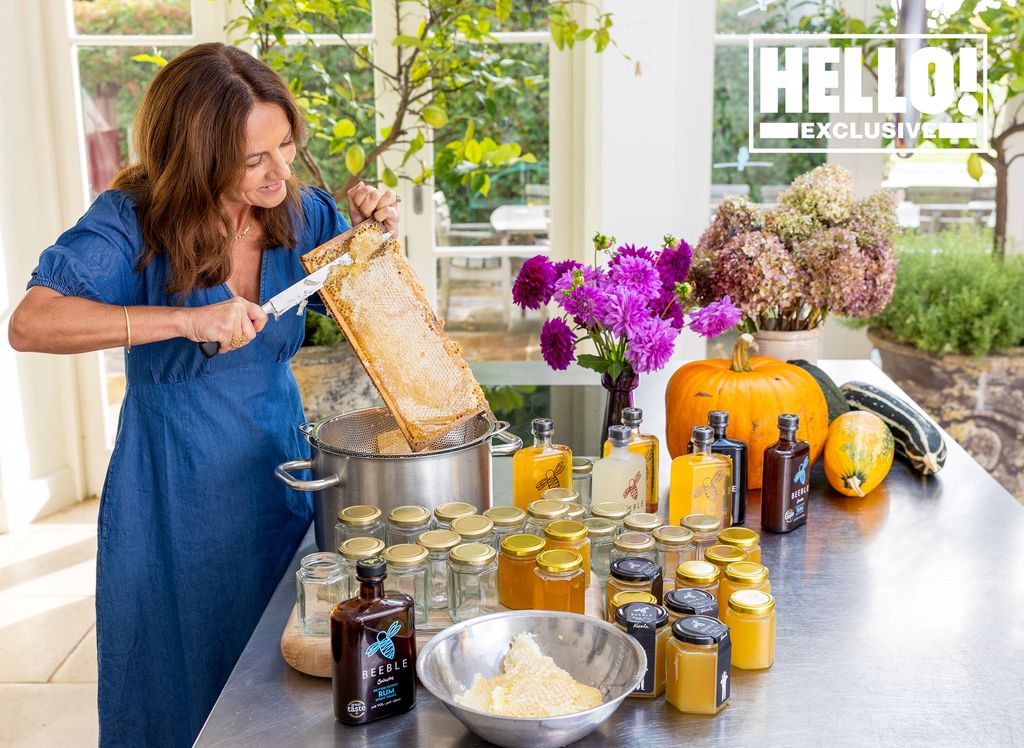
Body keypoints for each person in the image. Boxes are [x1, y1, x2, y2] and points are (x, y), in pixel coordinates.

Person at [7, 43, 399, 747]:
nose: (281, 171)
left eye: (285, 145)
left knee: (283, 682)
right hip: (172, 499)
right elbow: (32, 323)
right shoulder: (131, 220)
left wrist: (374, 236)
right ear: (198, 157)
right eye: (255, 160)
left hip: (278, 479)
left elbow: (378, 314)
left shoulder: (302, 213)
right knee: (174, 686)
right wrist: (186, 320)